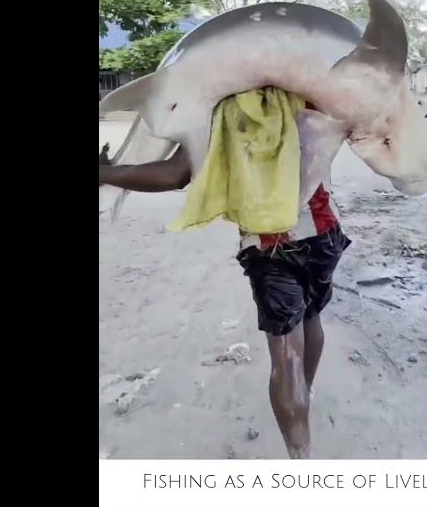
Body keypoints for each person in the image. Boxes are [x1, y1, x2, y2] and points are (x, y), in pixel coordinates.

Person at [97, 104, 351, 460]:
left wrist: (104, 172)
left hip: (270, 244)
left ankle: (301, 457)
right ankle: (303, 397)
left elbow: (174, 174)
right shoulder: (311, 93)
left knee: (287, 355)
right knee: (312, 317)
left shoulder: (222, 104)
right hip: (325, 233)